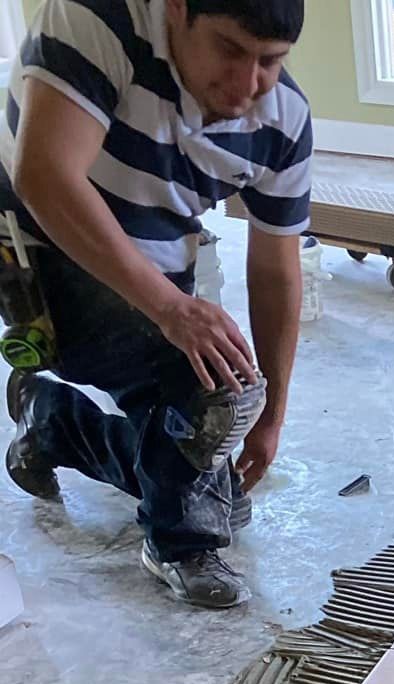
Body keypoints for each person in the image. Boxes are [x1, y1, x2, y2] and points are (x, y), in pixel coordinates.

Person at [0, 0, 311, 609]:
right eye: (229, 49)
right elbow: (43, 175)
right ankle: (179, 545)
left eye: (270, 62)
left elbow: (276, 272)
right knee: (210, 386)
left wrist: (271, 415)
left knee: (203, 471)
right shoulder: (96, 23)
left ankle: (52, 422)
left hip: (153, 253)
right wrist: (172, 310)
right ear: (176, 10)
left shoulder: (284, 122)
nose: (248, 85)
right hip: (35, 245)